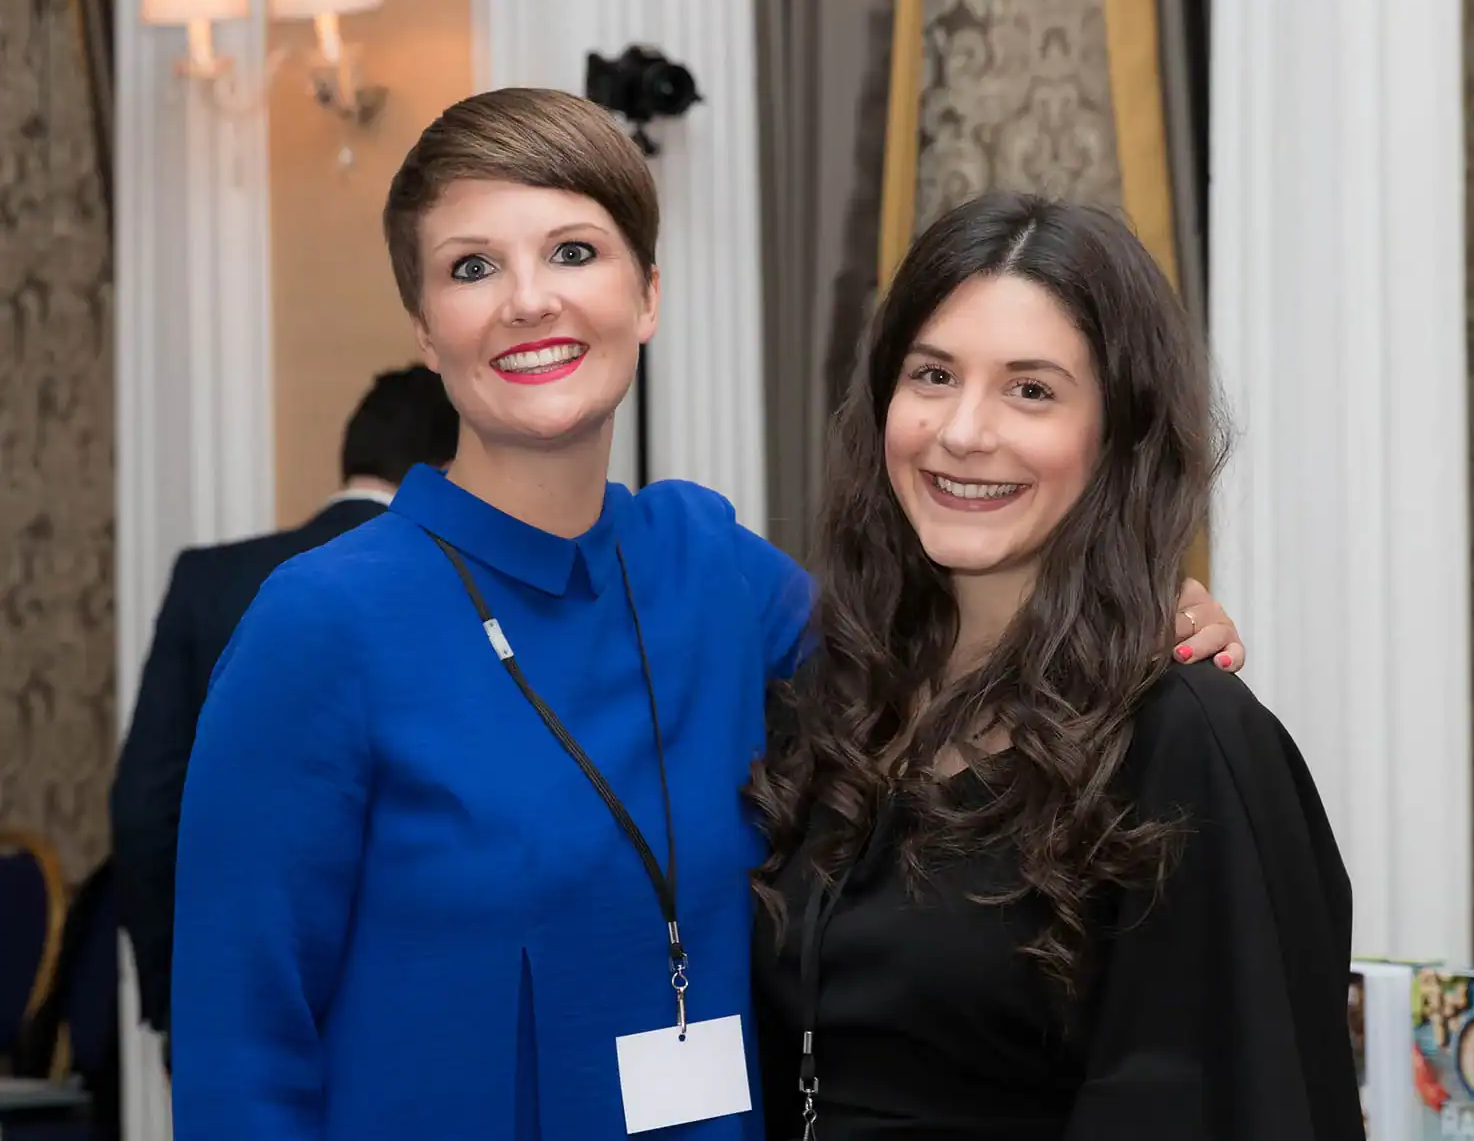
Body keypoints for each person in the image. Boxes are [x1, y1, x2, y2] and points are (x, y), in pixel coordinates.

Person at [169, 90, 1245, 1140]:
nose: (528, 300)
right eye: (471, 267)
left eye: (574, 252)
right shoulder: (320, 628)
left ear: (647, 294)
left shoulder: (713, 571)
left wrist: (1139, 607)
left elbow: (930, 667)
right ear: (423, 322)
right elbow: (242, 1053)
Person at [749, 193, 1362, 1139]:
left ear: (1117, 435)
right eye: (934, 375)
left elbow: (1237, 1101)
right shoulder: (829, 701)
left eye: (1030, 389)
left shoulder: (1186, 739)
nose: (963, 431)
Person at [110, 364, 457, 1047]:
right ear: (446, 470)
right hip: (414, 1014)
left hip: (226, 1000)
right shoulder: (454, 588)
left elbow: (146, 806)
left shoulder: (209, 582)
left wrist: (175, 997)